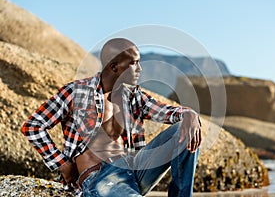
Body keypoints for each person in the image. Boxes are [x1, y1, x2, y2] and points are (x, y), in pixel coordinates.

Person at [21, 38, 202, 197]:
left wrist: (189, 114)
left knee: (184, 127)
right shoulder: (76, 92)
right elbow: (33, 126)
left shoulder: (133, 96)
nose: (139, 69)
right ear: (114, 66)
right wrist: (61, 163)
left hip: (134, 169)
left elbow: (165, 112)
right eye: (134, 63)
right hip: (100, 177)